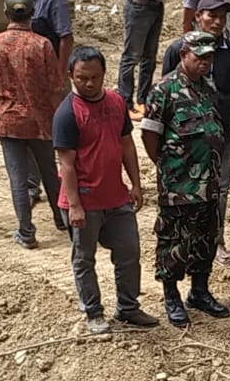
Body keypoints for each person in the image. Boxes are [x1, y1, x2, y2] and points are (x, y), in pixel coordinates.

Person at [54, 46, 159, 334]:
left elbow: (126, 143)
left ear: (104, 75)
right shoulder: (66, 114)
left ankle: (128, 307)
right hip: (84, 202)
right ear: (71, 76)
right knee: (84, 258)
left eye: (94, 77)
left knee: (129, 251)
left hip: (116, 197)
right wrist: (74, 205)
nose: (88, 83)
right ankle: (93, 312)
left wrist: (136, 183)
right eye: (81, 78)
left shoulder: (115, 102)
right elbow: (67, 165)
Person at [141, 31, 229, 326]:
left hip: (209, 184)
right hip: (179, 185)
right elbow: (149, 136)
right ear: (183, 55)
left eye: (209, 57)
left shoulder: (208, 89)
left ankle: (199, 291)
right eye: (199, 57)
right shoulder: (163, 90)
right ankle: (171, 295)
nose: (205, 62)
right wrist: (170, 168)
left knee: (205, 238)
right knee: (174, 241)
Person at [160, 0, 230, 263]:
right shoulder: (178, 49)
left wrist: (213, 122)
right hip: (182, 141)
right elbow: (165, 95)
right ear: (198, 17)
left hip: (220, 138)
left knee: (218, 192)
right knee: (183, 193)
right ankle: (180, 244)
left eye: (222, 16)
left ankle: (215, 241)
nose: (218, 21)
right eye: (212, 15)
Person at [0, 0, 67, 248]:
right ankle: (62, 220)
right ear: (33, 13)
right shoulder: (42, 45)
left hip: (9, 120)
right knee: (50, 172)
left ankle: (26, 232)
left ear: (6, 12)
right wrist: (56, 122)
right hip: (40, 121)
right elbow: (55, 88)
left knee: (18, 179)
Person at [6, 0, 72, 204]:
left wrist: (59, 74)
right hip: (26, 78)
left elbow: (66, 38)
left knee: (58, 132)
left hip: (50, 77)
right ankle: (33, 186)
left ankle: (66, 185)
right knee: (29, 130)